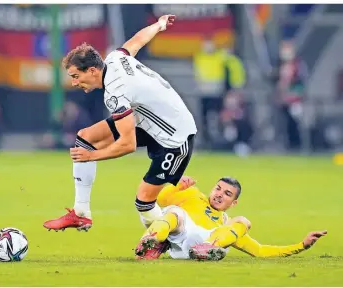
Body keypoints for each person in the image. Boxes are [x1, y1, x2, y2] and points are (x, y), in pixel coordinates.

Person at [43, 15, 197, 233]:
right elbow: (136, 41)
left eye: (76, 76)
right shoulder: (114, 59)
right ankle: (81, 213)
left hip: (175, 138)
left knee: (144, 203)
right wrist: (158, 25)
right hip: (150, 123)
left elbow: (127, 145)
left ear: (93, 71)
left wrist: (92, 156)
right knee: (85, 138)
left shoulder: (115, 92)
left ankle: (177, 236)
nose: (74, 82)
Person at [135, 176, 327, 260]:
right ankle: (150, 241)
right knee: (173, 213)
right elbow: (159, 199)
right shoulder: (193, 195)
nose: (219, 194)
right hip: (180, 232)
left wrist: (301, 245)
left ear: (233, 202)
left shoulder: (227, 225)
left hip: (209, 239)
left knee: (243, 221)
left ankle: (209, 249)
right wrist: (178, 185)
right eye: (218, 188)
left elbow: (259, 250)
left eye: (227, 194)